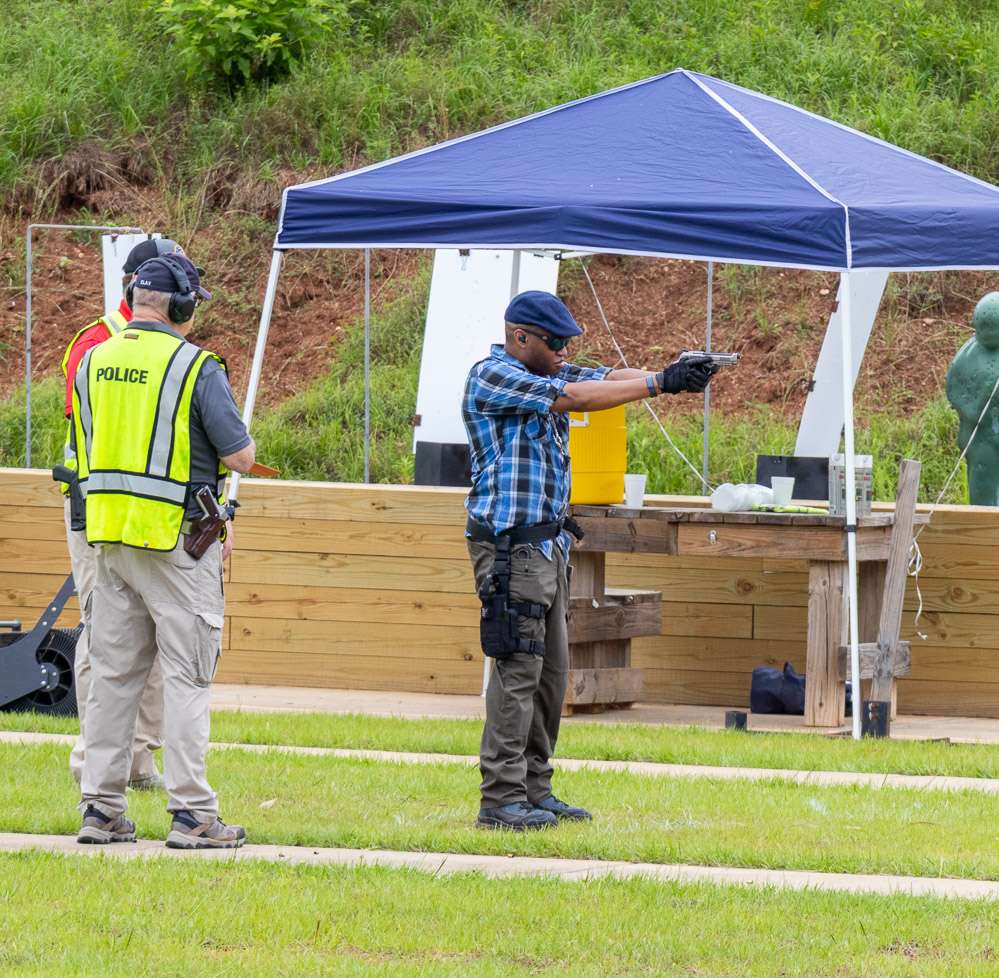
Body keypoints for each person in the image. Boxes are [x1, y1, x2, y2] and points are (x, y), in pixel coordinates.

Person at [462, 290, 715, 831]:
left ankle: (534, 790)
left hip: (546, 548)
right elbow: (575, 395)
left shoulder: (545, 367)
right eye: (555, 342)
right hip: (512, 549)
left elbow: (604, 377)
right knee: (518, 671)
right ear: (520, 337)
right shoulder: (493, 375)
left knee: (551, 675)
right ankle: (500, 798)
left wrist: (675, 375)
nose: (564, 351)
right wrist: (659, 383)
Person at [70, 252, 256, 848]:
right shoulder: (195, 366)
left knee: (113, 678)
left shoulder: (92, 360)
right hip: (179, 544)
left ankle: (100, 808)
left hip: (110, 538)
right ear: (179, 305)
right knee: (187, 677)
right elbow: (240, 456)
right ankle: (193, 813)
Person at [61, 238, 190, 792]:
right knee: (104, 634)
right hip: (101, 509)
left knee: (154, 634)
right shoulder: (95, 343)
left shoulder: (164, 345)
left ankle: (138, 759)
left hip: (149, 510)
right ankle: (93, 762)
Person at [947, 292, 999, 506]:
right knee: (984, 490)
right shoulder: (969, 355)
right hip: (980, 437)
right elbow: (954, 392)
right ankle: (984, 525)